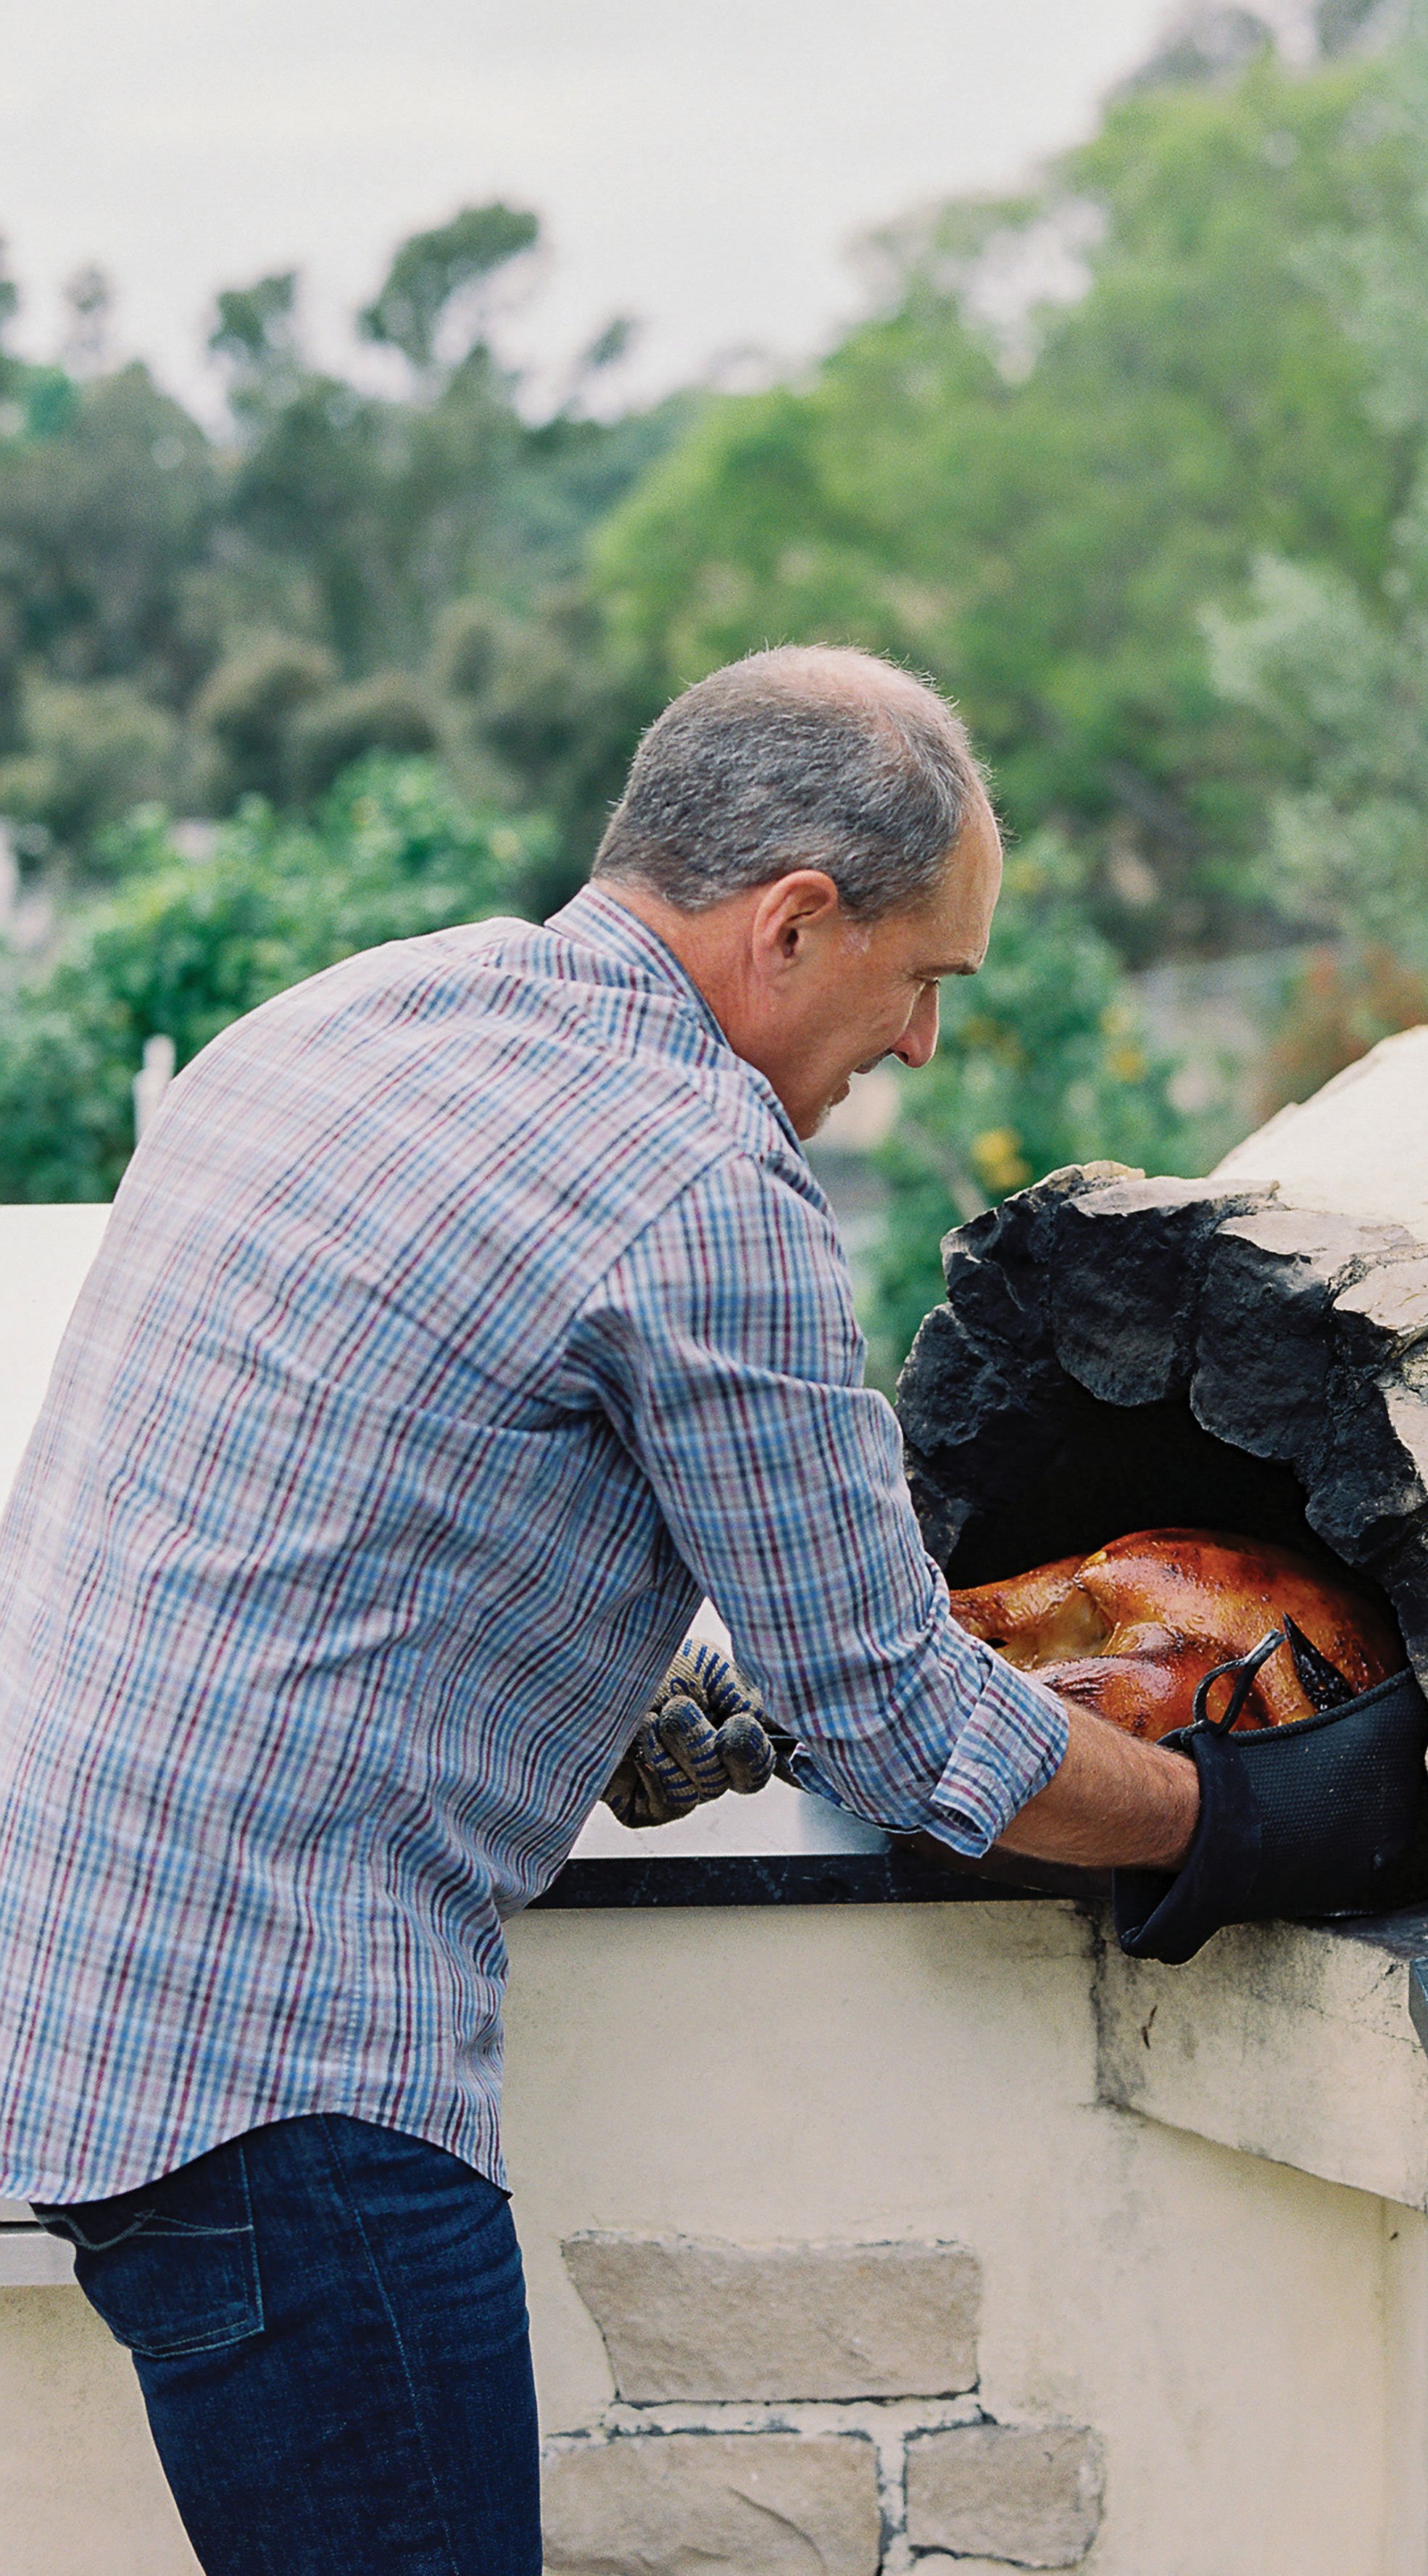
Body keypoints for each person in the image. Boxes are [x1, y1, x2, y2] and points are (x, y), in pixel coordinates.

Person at [0, 647, 1203, 2575]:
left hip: (98, 2008)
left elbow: (346, 1520)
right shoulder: (696, 1179)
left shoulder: (346, 1020)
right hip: (283, 2086)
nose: (920, 1051)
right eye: (925, 981)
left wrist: (659, 1707)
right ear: (797, 921)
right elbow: (905, 1715)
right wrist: (1241, 1817)